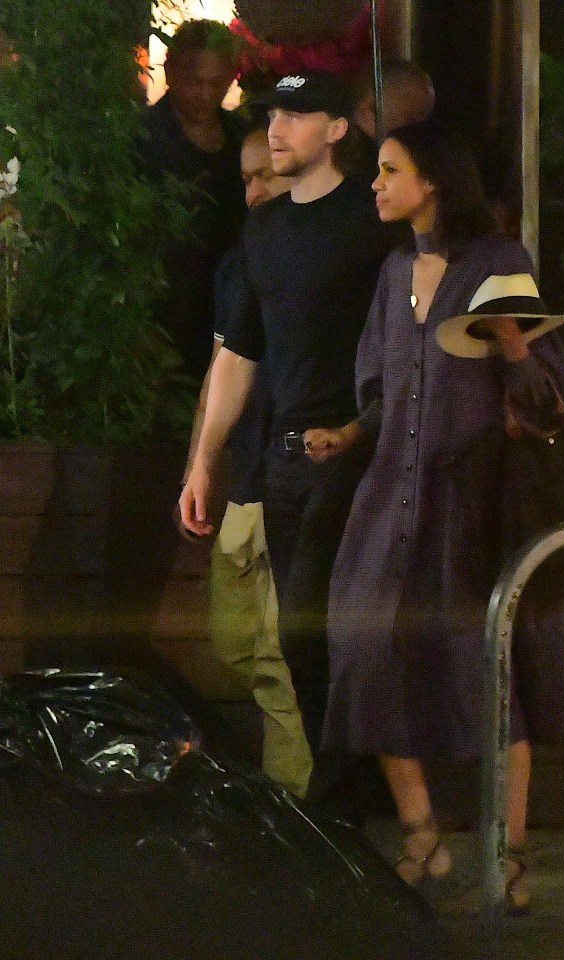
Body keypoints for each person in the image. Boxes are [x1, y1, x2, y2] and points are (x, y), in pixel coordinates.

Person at [302, 120, 564, 913]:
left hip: (470, 499)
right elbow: (386, 389)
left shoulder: (496, 263)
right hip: (391, 494)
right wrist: (346, 434)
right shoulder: (392, 273)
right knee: (363, 647)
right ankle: (421, 833)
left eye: (391, 171)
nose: (377, 185)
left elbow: (548, 394)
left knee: (483, 669)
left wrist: (514, 345)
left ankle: (510, 854)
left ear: (434, 182)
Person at [179, 71, 392, 774]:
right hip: (281, 455)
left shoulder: (372, 216)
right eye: (272, 114)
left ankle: (346, 802)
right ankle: (334, 802)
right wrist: (205, 459)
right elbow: (237, 352)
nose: (277, 128)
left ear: (337, 129)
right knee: (291, 638)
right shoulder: (265, 227)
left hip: (358, 451)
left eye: (297, 116)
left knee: (320, 630)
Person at [180, 127, 312, 797]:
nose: (256, 189)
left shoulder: (317, 256)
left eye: (270, 175)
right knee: (236, 644)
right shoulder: (241, 259)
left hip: (285, 472)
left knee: (271, 658)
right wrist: (199, 462)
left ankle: (294, 806)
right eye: (247, 178)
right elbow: (222, 361)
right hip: (246, 472)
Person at [140, 19, 247, 382]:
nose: (205, 94)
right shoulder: (143, 137)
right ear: (169, 71)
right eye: (193, 81)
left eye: (217, 83)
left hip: (230, 300)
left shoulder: (242, 137)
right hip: (165, 305)